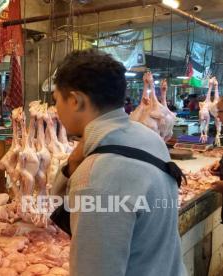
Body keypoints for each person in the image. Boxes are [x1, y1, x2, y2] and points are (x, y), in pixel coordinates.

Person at [51, 49, 185, 276]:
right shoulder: (148, 138)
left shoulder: (97, 178)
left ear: (75, 101)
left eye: (56, 101)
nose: (56, 110)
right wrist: (74, 160)